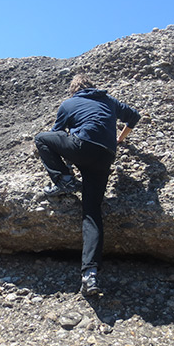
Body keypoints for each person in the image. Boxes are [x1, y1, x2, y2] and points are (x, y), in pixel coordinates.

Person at [34, 74, 141, 296]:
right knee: (91, 213)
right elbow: (134, 117)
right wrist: (119, 139)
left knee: (42, 139)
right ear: (92, 87)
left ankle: (64, 181)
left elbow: (55, 135)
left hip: (83, 147)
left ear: (73, 90)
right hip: (105, 156)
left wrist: (65, 164)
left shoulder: (69, 104)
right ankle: (90, 274)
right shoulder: (109, 101)